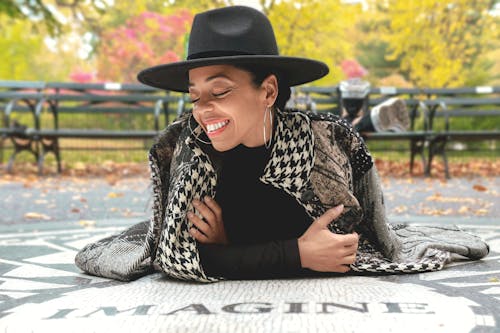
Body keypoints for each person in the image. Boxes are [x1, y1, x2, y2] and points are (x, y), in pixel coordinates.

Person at [75, 6, 488, 283]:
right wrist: (294, 254)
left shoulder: (322, 146)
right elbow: (177, 259)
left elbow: (342, 248)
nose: (203, 110)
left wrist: (232, 247)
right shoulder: (191, 148)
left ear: (268, 91)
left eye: (219, 91)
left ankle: (370, 120)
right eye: (195, 95)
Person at [338, 78, 410, 134]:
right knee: (359, 124)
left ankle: (359, 124)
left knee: (356, 125)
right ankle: (392, 125)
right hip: (354, 124)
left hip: (352, 124)